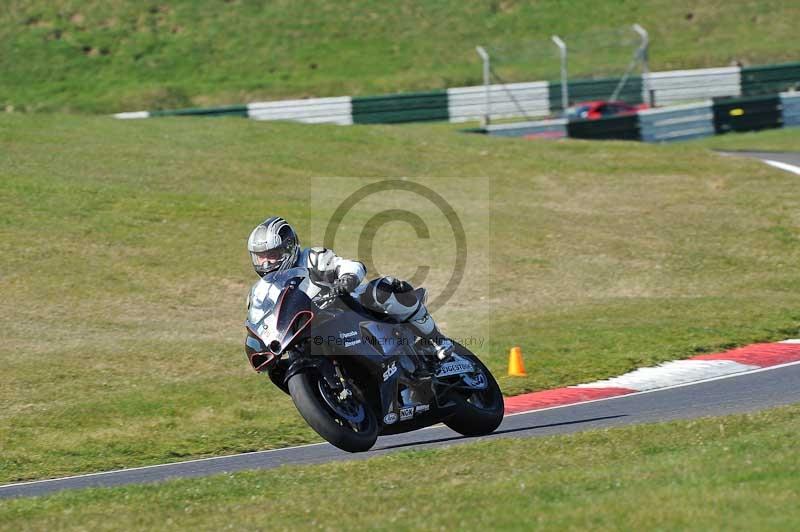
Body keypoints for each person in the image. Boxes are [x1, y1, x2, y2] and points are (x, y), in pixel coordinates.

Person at [246, 216, 454, 360]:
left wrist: (346, 280)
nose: (266, 262)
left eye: (271, 255)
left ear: (289, 247)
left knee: (383, 289)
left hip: (345, 308)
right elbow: (259, 319)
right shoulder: (261, 291)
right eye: (260, 257)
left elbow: (350, 266)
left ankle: (438, 340)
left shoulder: (311, 258)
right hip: (305, 331)